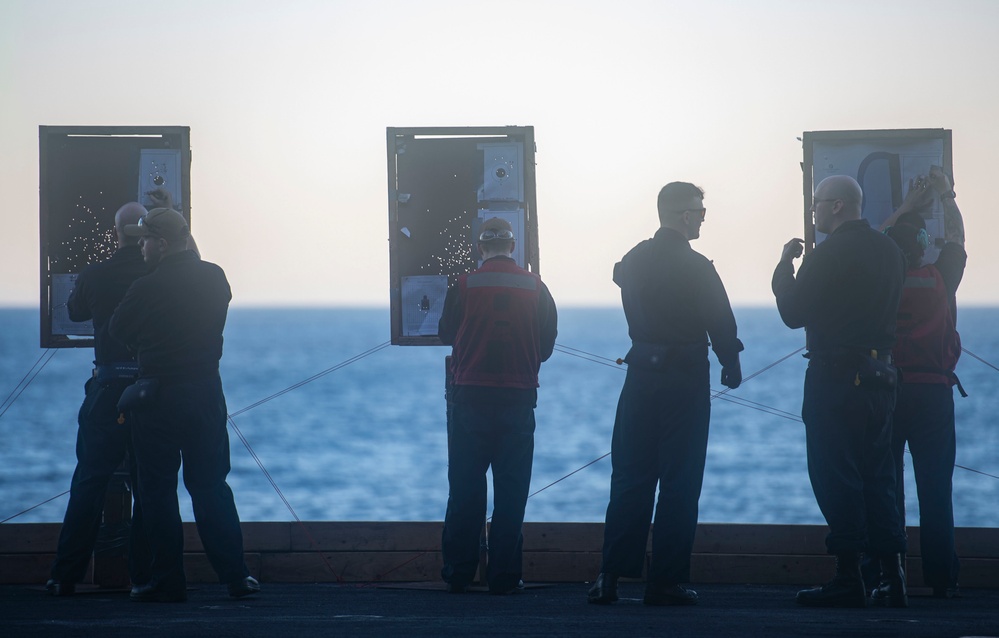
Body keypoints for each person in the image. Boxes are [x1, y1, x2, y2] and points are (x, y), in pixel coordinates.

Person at [588, 182, 743, 607]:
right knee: (679, 482)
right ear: (682, 215)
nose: (704, 216)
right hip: (685, 381)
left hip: (639, 377)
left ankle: (609, 577)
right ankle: (665, 582)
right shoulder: (697, 267)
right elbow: (721, 323)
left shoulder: (634, 260)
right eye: (700, 209)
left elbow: (618, 272)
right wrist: (731, 362)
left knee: (630, 478)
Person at [108, 207, 258, 602]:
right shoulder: (215, 277)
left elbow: (117, 330)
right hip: (206, 393)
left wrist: (146, 347)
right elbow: (198, 266)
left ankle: (167, 580)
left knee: (157, 491)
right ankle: (236, 575)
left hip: (158, 396)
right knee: (210, 487)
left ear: (161, 243)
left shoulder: (146, 287)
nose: (139, 246)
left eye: (144, 240)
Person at [772, 174, 908, 608]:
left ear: (836, 207)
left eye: (816, 204)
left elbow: (793, 313)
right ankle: (893, 576)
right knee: (880, 476)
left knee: (836, 476)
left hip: (835, 377)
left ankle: (849, 577)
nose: (812, 211)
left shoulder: (828, 254)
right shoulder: (891, 252)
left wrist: (782, 269)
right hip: (881, 378)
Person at [437, 217, 558, 595]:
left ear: (480, 248)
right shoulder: (537, 287)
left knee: (466, 489)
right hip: (518, 398)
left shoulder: (464, 284)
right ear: (512, 247)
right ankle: (504, 577)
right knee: (511, 491)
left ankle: (459, 574)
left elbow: (445, 333)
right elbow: (547, 345)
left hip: (470, 397)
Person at [45, 202, 151, 597]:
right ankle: (144, 577)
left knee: (89, 481)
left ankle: (64, 575)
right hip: (150, 390)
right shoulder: (155, 274)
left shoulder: (96, 274)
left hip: (107, 388)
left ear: (116, 232)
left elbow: (74, 313)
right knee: (150, 486)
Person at [878, 166, 966, 599]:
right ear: (924, 246)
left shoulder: (877, 281)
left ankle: (890, 574)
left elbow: (871, 245)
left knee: (885, 487)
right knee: (936, 490)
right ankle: (942, 578)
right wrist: (946, 197)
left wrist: (905, 207)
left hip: (887, 392)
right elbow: (958, 241)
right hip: (934, 393)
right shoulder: (941, 277)